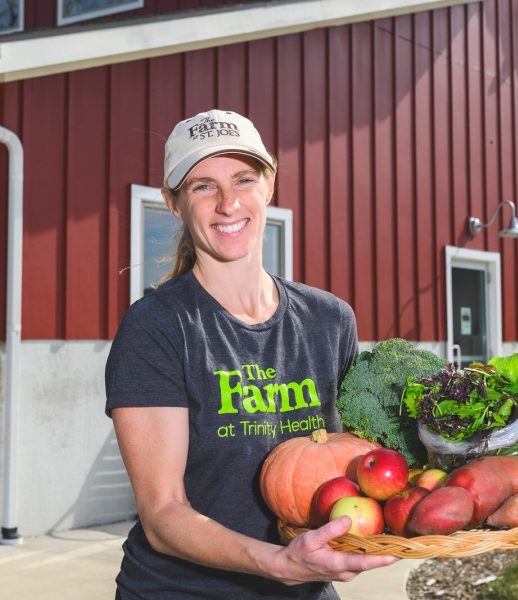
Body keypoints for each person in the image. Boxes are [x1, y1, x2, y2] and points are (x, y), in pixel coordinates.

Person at [105, 109, 396, 599]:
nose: (227, 203)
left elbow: (353, 467)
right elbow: (162, 512)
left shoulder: (329, 320)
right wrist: (276, 562)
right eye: (202, 186)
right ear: (173, 204)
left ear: (269, 185)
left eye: (243, 179)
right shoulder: (157, 327)